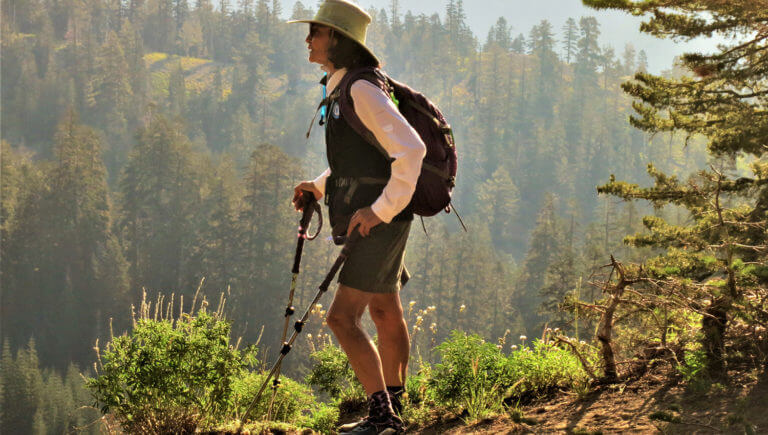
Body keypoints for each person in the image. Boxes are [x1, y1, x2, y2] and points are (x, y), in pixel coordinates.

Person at [288, 1, 426, 434]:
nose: (308, 39)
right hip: (376, 213)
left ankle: (383, 418)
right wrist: (318, 185)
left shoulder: (361, 90)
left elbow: (411, 150)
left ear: (338, 40)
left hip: (377, 219)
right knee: (385, 308)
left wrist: (379, 210)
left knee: (340, 318)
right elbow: (361, 158)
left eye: (316, 32)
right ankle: (395, 406)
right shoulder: (345, 86)